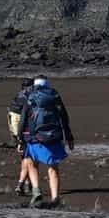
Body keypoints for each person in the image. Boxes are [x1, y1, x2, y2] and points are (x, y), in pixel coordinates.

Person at [17, 75, 75, 207]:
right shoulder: (54, 97)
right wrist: (69, 137)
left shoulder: (30, 97)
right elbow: (64, 117)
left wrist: (20, 139)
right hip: (54, 137)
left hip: (34, 137)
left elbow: (23, 119)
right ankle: (55, 198)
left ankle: (36, 190)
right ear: (47, 84)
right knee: (53, 167)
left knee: (32, 163)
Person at [7, 79, 35, 198]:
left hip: (16, 127)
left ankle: (26, 184)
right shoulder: (27, 98)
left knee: (25, 157)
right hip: (23, 128)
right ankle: (24, 184)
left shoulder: (18, 97)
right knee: (28, 157)